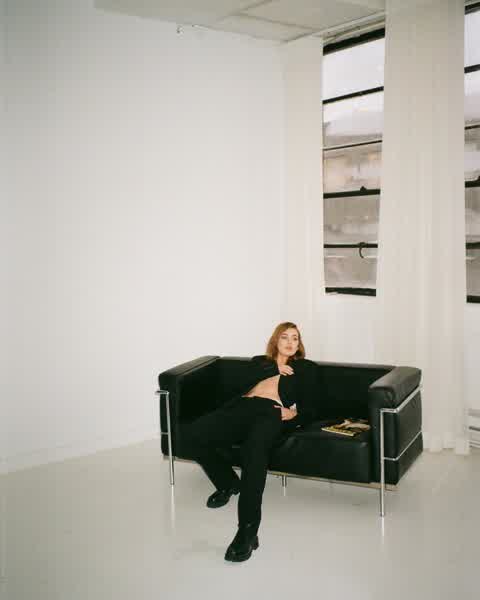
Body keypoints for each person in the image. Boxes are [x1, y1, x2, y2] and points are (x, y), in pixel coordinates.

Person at [182, 321, 317, 562]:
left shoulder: (305, 368)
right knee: (193, 435)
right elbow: (239, 383)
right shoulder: (260, 362)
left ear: (299, 344)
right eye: (284, 337)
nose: (290, 342)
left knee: (253, 456)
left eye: (295, 338)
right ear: (275, 340)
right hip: (241, 408)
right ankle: (227, 483)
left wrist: (294, 414)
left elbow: (315, 407)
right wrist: (275, 367)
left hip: (270, 412)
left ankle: (247, 531)